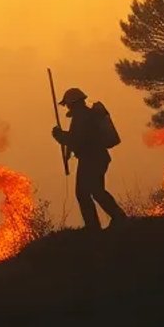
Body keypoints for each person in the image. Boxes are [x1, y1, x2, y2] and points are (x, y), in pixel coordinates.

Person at [52, 87, 129, 231]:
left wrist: (60, 136)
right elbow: (78, 137)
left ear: (73, 103)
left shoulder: (82, 117)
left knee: (86, 192)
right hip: (96, 158)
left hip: (91, 159)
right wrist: (64, 137)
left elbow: (77, 140)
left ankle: (98, 225)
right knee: (95, 190)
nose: (67, 107)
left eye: (68, 104)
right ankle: (114, 219)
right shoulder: (84, 116)